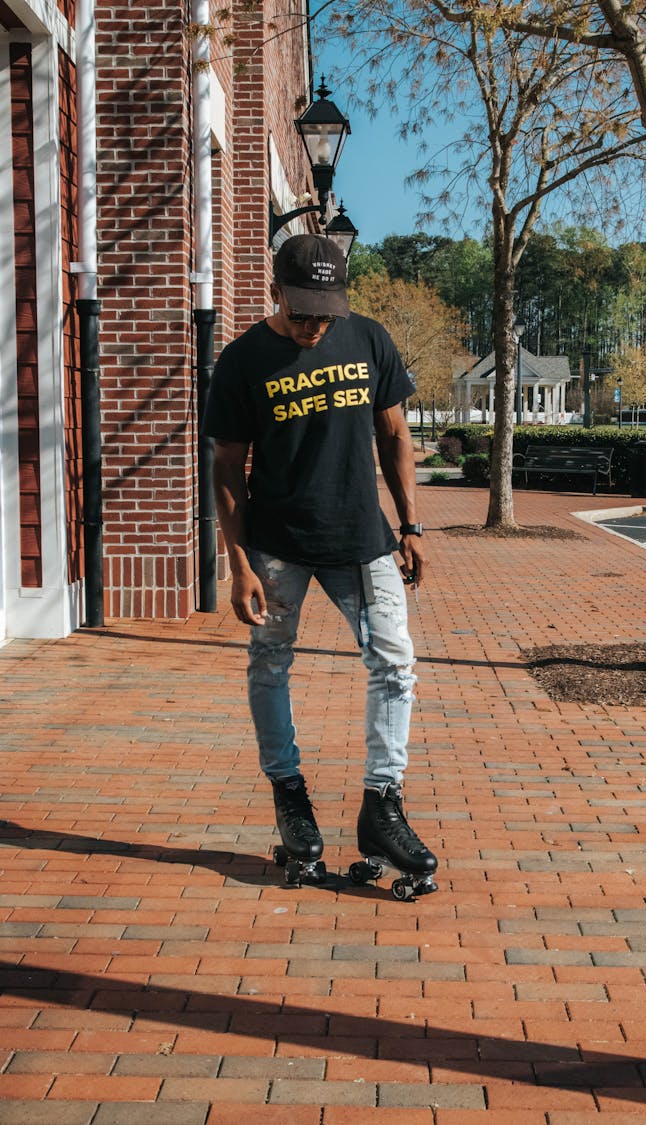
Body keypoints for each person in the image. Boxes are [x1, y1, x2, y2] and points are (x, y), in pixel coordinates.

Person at [203, 233, 438, 896]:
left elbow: (394, 434)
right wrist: (239, 562)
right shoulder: (243, 360)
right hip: (277, 544)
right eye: (302, 311)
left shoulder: (367, 339)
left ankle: (381, 804)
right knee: (270, 662)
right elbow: (226, 467)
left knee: (395, 662)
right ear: (275, 291)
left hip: (363, 540)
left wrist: (412, 524)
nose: (314, 325)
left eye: (325, 313)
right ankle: (290, 795)